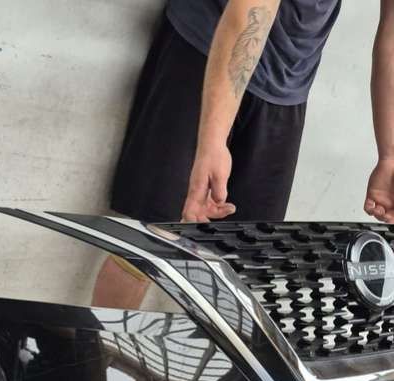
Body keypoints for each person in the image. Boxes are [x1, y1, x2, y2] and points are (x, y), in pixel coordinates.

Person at [110, 0, 394, 225]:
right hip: (208, 48)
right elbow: (252, 11)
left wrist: (389, 156)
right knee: (155, 239)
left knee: (248, 255)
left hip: (288, 83)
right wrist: (213, 140)